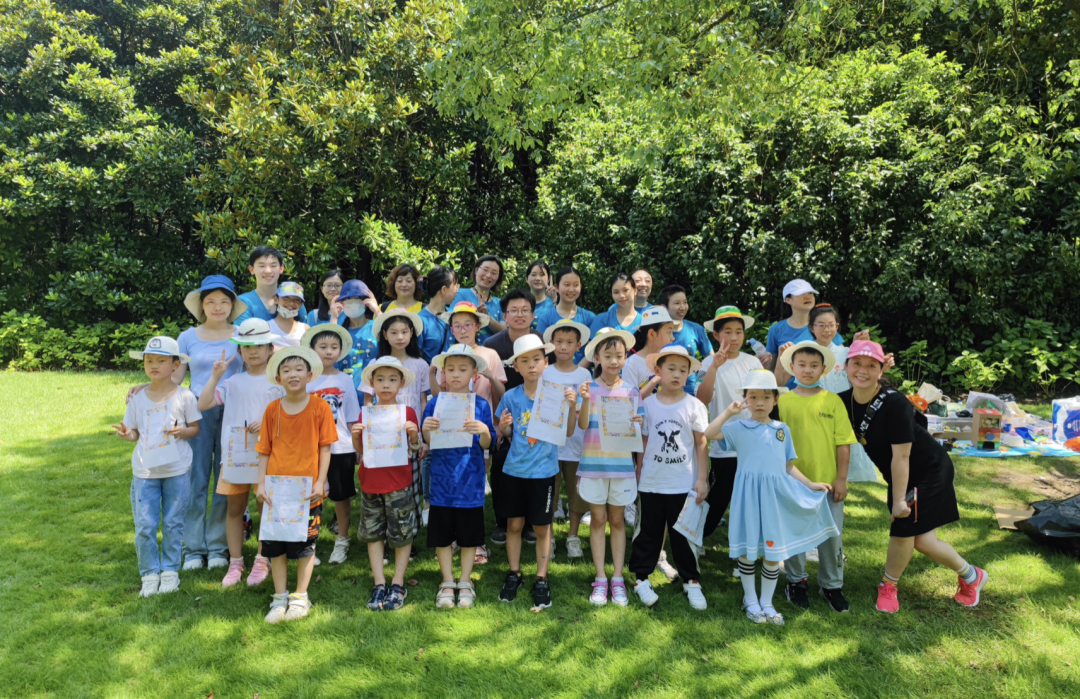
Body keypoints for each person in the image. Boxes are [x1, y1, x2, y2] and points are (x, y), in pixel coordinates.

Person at [838, 340, 988, 614]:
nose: (862, 371)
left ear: (881, 371)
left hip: (927, 468)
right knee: (923, 540)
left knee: (904, 527)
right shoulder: (843, 402)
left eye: (871, 366)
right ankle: (972, 576)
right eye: (856, 364)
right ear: (845, 366)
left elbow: (902, 456)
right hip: (901, 473)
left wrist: (898, 499)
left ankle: (888, 584)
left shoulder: (894, 403)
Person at [703, 370, 838, 626]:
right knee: (748, 549)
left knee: (773, 550)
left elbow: (787, 465)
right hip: (748, 498)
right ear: (745, 400)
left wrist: (809, 484)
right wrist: (729, 412)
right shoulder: (739, 427)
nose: (759, 403)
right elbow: (709, 434)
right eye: (752, 397)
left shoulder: (781, 430)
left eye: (766, 397)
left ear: (775, 400)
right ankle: (750, 599)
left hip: (774, 498)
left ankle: (767, 601)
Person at [196, 318, 284, 588]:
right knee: (234, 508)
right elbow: (203, 403)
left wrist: (268, 422)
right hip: (236, 456)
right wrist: (216, 376)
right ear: (239, 352)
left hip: (268, 456)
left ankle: (262, 558)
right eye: (247, 346)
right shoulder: (233, 382)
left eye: (260, 345)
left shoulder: (279, 383)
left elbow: (288, 416)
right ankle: (236, 562)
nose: (253, 351)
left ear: (271, 349)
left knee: (264, 507)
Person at [113, 336, 202, 597]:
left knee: (174, 522)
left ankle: (170, 571)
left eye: (161, 361)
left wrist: (181, 431)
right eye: (149, 360)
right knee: (145, 525)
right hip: (145, 472)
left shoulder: (185, 396)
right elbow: (135, 433)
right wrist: (127, 434)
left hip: (176, 470)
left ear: (175, 365)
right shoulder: (138, 398)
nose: (154, 365)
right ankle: (149, 573)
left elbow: (195, 428)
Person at [495, 335, 578, 609]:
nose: (531, 366)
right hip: (515, 471)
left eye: (537, 360)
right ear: (516, 366)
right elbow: (507, 433)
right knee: (514, 524)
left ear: (546, 362)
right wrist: (503, 426)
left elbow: (566, 432)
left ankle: (541, 577)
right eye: (525, 361)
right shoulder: (510, 396)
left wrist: (572, 407)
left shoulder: (556, 394)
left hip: (544, 472)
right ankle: (514, 572)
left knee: (543, 526)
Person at [255, 346, 336, 623]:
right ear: (278, 378)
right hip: (275, 490)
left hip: (306, 491)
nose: (292, 374)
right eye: (286, 370)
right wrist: (261, 485)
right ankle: (279, 597)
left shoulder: (320, 407)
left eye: (298, 369)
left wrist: (320, 481)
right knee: (275, 545)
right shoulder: (272, 409)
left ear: (309, 375)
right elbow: (264, 450)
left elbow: (325, 448)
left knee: (305, 544)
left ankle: (300, 596)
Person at [775, 341, 857, 614]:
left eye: (813, 366)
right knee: (796, 535)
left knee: (831, 537)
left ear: (824, 369)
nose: (807, 371)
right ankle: (796, 582)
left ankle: (832, 585)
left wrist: (842, 479)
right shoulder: (782, 401)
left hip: (828, 485)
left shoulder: (832, 400)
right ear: (792, 367)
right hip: (793, 483)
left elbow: (843, 443)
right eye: (802, 365)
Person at [629, 345, 709, 610]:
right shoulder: (647, 405)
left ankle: (691, 581)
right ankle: (641, 578)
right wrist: (639, 475)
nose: (676, 375)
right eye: (670, 369)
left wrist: (702, 479)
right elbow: (642, 443)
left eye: (683, 370)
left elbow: (701, 444)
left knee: (684, 535)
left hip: (683, 484)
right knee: (648, 532)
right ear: (657, 371)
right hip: (652, 483)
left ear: (689, 374)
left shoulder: (694, 405)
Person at [176, 275, 247, 572]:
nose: (217, 307)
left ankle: (218, 546)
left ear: (232, 305)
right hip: (198, 410)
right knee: (197, 478)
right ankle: (193, 548)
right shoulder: (187, 337)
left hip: (235, 411)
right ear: (201, 306)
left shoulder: (243, 333)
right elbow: (175, 377)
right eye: (210, 302)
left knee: (225, 477)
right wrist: (145, 389)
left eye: (224, 301)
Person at [422, 345, 496, 609]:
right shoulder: (435, 402)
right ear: (443, 372)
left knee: (469, 535)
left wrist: (484, 430)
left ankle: (465, 580)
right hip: (442, 481)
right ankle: (447, 580)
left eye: (462, 369)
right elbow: (427, 440)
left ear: (474, 373)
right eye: (450, 369)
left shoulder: (481, 404)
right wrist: (426, 429)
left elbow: (488, 444)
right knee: (441, 535)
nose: (455, 375)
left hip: (470, 481)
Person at [575, 328, 641, 607]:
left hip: (622, 467)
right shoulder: (589, 388)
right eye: (608, 356)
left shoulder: (631, 391)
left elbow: (638, 432)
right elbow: (580, 426)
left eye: (619, 355)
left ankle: (618, 578)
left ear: (625, 358)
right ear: (597, 357)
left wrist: (637, 422)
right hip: (594, 464)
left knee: (617, 521)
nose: (614, 361)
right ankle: (600, 578)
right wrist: (587, 400)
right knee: (598, 520)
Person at [351, 357, 422, 611]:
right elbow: (361, 452)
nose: (386, 385)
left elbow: (414, 450)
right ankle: (379, 583)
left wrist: (414, 435)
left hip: (399, 483)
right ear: (371, 383)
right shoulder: (365, 413)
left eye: (392, 380)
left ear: (401, 384)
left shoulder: (408, 413)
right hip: (371, 482)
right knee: (373, 533)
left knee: (402, 534)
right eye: (380, 379)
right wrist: (355, 436)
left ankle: (398, 582)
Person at [359, 309, 430, 540]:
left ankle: (409, 534)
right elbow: (368, 400)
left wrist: (419, 438)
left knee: (410, 485)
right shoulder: (374, 364)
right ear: (384, 335)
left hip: (408, 434)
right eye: (393, 332)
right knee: (385, 485)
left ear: (412, 334)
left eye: (404, 331)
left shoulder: (419, 364)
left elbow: (422, 400)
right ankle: (384, 533)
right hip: (381, 436)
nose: (400, 337)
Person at [695, 306, 764, 540]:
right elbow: (702, 399)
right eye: (727, 331)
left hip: (755, 440)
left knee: (751, 496)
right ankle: (697, 534)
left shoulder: (753, 362)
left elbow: (766, 397)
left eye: (739, 332)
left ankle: (745, 547)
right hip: (723, 440)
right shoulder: (706, 363)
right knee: (722, 493)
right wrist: (715, 366)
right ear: (716, 335)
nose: (734, 337)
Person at [482, 290, 542, 547]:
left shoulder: (540, 342)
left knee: (534, 469)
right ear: (504, 315)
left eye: (524, 310)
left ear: (532, 315)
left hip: (535, 418)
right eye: (513, 311)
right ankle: (502, 521)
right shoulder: (493, 345)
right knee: (502, 468)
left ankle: (530, 522)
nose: (519, 315)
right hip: (503, 416)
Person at [303, 323, 361, 566]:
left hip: (341, 447)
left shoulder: (345, 380)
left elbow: (351, 416)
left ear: (340, 351)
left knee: (341, 495)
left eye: (334, 347)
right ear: (312, 349)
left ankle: (343, 540)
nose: (328, 352)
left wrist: (358, 448)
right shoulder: (305, 379)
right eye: (323, 347)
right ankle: (309, 542)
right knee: (311, 496)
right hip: (309, 448)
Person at [802, 303, 878, 483]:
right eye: (821, 325)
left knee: (843, 441)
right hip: (813, 407)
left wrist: (859, 344)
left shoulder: (845, 352)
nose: (826, 330)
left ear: (837, 326)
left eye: (831, 324)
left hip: (842, 407)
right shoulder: (805, 350)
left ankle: (847, 475)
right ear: (812, 328)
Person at [541, 319, 593, 558]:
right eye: (559, 342)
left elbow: (587, 407)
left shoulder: (584, 374)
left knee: (576, 493)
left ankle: (573, 535)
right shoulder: (545, 372)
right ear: (551, 344)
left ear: (578, 346)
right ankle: (549, 537)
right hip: (550, 444)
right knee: (550, 492)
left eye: (569, 342)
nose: (563, 347)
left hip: (577, 444)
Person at [433, 301, 506, 410]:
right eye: (457, 326)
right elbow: (439, 395)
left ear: (478, 327)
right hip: (452, 416)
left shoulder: (490, 354)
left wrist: (491, 377)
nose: (462, 331)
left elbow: (502, 395)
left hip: (481, 419)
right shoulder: (447, 356)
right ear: (452, 330)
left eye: (467, 325)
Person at [763, 278, 843, 374]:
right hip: (787, 388)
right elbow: (772, 366)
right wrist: (763, 363)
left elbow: (842, 357)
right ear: (788, 300)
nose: (808, 297)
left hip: (820, 388)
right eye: (801, 293)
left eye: (810, 293)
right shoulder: (775, 329)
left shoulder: (825, 325)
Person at [657, 285, 713, 395]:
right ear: (663, 307)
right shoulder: (655, 331)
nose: (683, 307)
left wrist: (701, 379)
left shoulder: (696, 329)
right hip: (661, 390)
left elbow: (711, 358)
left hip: (690, 392)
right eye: (677, 303)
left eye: (685, 302)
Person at [534, 266, 597, 364]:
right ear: (557, 288)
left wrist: (577, 371)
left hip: (583, 377)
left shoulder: (590, 317)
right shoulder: (545, 317)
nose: (571, 289)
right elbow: (540, 350)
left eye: (576, 285)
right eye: (567, 285)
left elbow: (593, 350)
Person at [235, 246, 306, 323]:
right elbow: (244, 334)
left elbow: (306, 332)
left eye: (273, 266)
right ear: (252, 269)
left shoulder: (294, 298)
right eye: (262, 266)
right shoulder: (243, 302)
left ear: (281, 269)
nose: (268, 271)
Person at [586, 274, 644, 365]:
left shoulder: (645, 322)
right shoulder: (602, 319)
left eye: (625, 290)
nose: (621, 295)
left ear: (635, 290)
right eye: (616, 292)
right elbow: (593, 354)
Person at [336, 279, 382, 387]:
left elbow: (392, 330)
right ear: (342, 303)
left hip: (374, 396)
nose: (353, 301)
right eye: (348, 299)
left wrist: (377, 310)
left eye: (357, 298)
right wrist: (334, 316)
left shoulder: (376, 326)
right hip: (345, 395)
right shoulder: (339, 331)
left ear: (366, 301)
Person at [622, 306, 675, 395]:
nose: (673, 338)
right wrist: (654, 382)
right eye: (669, 332)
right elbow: (630, 400)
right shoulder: (631, 364)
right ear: (652, 334)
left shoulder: (670, 359)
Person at [454, 255, 507, 341]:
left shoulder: (500, 303)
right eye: (485, 270)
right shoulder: (460, 294)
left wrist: (487, 317)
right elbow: (453, 323)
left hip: (492, 353)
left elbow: (504, 333)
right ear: (476, 270)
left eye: (494, 273)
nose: (488, 275)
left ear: (498, 277)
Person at [418, 266, 460, 363]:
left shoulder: (456, 316)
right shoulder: (420, 320)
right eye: (455, 286)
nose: (457, 290)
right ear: (444, 290)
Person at [269, 282, 309, 349]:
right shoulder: (267, 327)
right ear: (276, 300)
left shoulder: (305, 329)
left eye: (297, 300)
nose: (291, 303)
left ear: (301, 305)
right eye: (286, 298)